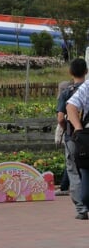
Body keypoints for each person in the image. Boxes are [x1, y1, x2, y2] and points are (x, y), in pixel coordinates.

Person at [60, 58, 88, 219]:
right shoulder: (85, 87)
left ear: (70, 72)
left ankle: (81, 209)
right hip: (85, 136)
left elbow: (60, 117)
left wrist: (71, 129)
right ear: (86, 71)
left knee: (74, 171)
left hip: (74, 136)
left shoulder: (67, 92)